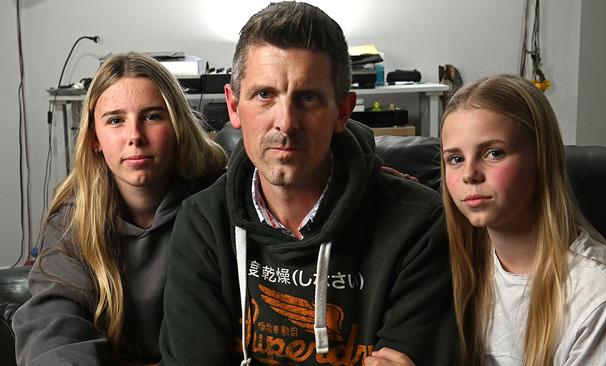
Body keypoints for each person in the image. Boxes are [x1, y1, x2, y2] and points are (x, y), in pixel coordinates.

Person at [159, 2, 455, 365]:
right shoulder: (203, 223)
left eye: (308, 98)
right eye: (265, 95)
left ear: (343, 111)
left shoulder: (419, 227)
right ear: (234, 107)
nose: (285, 122)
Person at [12, 52, 228, 365]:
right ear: (95, 139)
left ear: (178, 125)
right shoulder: (73, 220)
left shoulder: (219, 201)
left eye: (152, 116)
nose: (135, 137)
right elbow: (53, 327)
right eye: (115, 120)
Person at [440, 74, 606, 365]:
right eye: (456, 159)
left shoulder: (601, 295)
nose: (469, 174)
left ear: (541, 158)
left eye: (494, 153)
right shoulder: (456, 261)